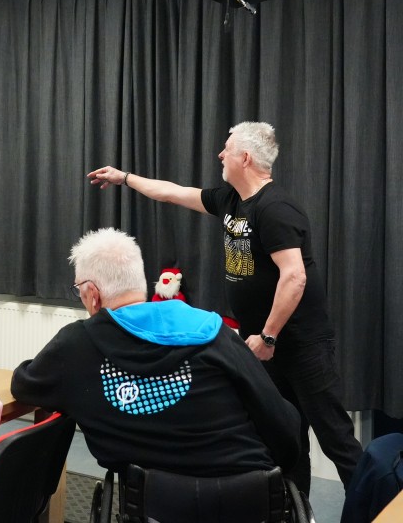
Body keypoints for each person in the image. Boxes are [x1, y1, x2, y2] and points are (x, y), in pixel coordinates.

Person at [88, 121, 363, 494]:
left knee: (336, 438)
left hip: (300, 344)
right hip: (266, 348)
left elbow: (294, 277)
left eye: (227, 148)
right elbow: (172, 193)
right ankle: (297, 515)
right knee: (286, 438)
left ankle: (378, 511)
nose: (220, 154)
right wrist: (124, 177)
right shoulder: (230, 201)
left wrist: (268, 336)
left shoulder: (276, 208)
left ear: (245, 157)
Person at [11, 227, 300, 480]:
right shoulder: (214, 332)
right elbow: (281, 419)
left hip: (153, 506)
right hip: (248, 498)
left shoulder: (76, 344)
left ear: (93, 295)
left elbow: (24, 384)